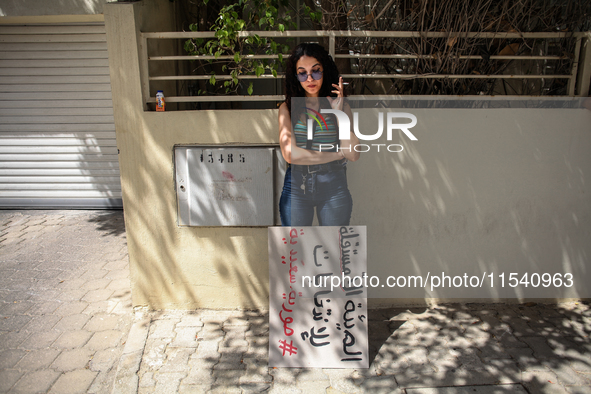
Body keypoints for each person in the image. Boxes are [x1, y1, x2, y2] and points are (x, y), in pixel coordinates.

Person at [278, 42, 360, 226]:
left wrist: (338, 114)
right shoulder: (288, 108)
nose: (310, 78)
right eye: (302, 73)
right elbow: (291, 154)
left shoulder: (341, 107)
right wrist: (337, 154)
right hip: (297, 184)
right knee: (296, 250)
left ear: (324, 70)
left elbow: (353, 153)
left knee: (335, 250)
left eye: (315, 71)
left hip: (334, 183)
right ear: (295, 76)